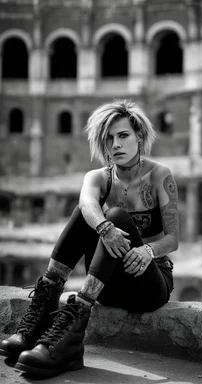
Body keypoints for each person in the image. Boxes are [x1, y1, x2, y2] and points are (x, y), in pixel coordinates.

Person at [0, 99, 179, 378]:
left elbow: (173, 240)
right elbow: (86, 204)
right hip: (107, 286)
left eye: (123, 136)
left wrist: (147, 251)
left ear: (139, 137)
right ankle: (42, 313)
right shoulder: (97, 177)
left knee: (117, 216)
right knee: (91, 213)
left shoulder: (160, 175)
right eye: (109, 139)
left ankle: (69, 341)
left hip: (151, 282)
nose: (116, 144)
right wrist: (105, 229)